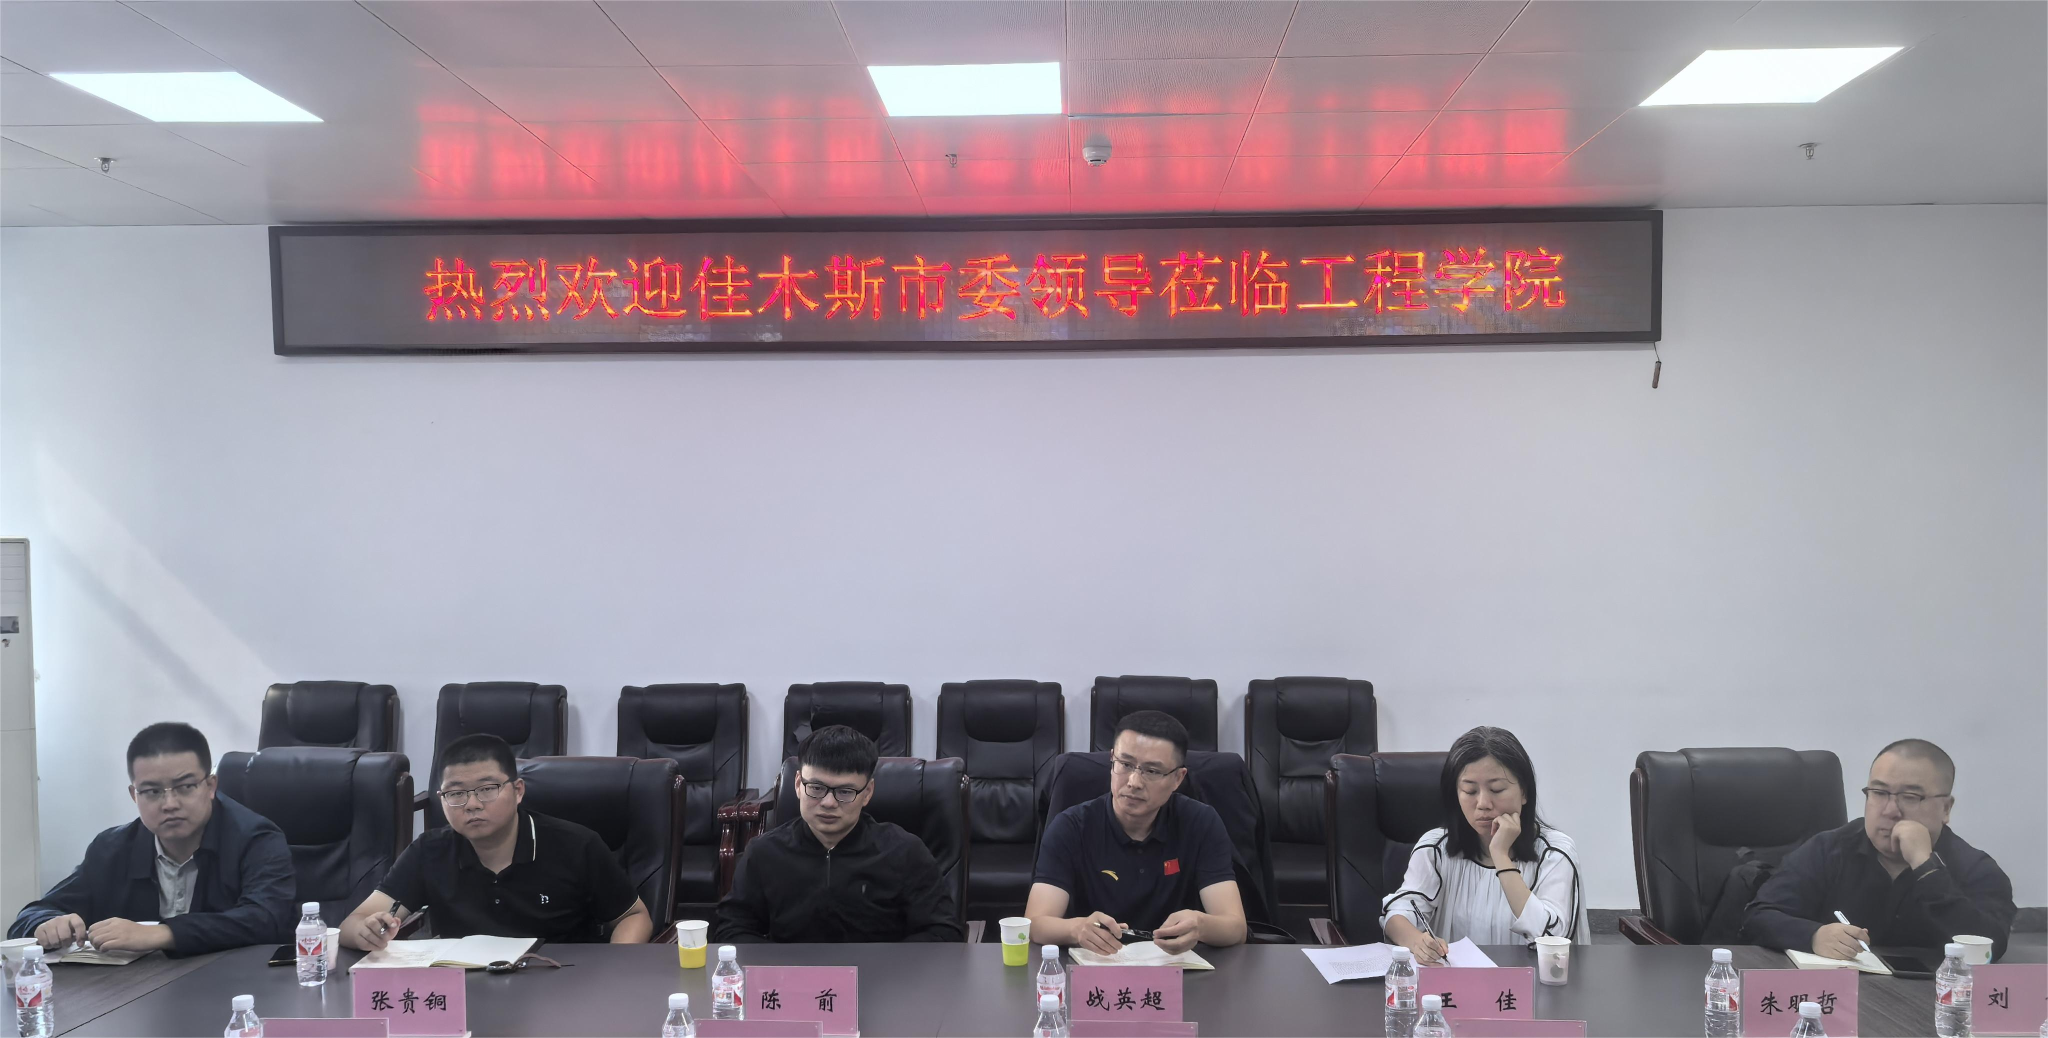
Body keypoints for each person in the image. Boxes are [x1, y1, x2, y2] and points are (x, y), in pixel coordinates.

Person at [7, 722, 297, 957]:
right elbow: (32, 915)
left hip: (233, 989)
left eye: (185, 787)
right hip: (138, 994)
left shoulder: (256, 840)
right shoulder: (111, 849)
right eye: (152, 791)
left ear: (210, 786)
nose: (169, 804)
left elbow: (268, 919)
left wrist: (161, 933)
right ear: (134, 795)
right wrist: (46, 924)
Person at [338, 733, 652, 950]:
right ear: (441, 799)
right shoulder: (429, 850)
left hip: (561, 987)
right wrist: (367, 931)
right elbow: (354, 923)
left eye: (487, 789)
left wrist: (615, 967)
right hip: (466, 993)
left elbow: (633, 916)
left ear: (518, 791)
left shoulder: (576, 845)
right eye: (456, 793)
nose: (472, 804)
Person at [1742, 739, 2015, 960]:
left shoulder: (1975, 869)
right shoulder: (1828, 849)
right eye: (1879, 793)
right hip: (1836, 998)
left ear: (1945, 808)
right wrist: (1813, 936)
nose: (1890, 810)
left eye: (1910, 797)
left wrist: (1926, 867)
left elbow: (1990, 948)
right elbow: (1758, 918)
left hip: (1932, 1001)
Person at [1026, 711, 1247, 955]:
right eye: (1125, 764)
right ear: (1112, 760)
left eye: (1151, 771)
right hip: (1096, 966)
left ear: (1177, 778)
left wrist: (1201, 926)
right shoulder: (1070, 827)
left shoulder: (1201, 823)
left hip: (1176, 967)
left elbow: (1236, 928)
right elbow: (1035, 924)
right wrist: (1076, 929)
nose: (1133, 782)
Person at [715, 725, 964, 942]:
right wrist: (783, 968)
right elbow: (731, 929)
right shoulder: (764, 853)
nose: (828, 803)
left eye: (845, 792)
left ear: (867, 793)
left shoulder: (905, 852)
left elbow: (943, 932)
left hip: (882, 977)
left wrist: (887, 965)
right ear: (798, 784)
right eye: (816, 788)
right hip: (793, 978)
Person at [1381, 726, 1587, 962]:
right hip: (1455, 983)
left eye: (1497, 789)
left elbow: (1552, 939)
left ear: (1524, 792)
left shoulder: (1555, 853)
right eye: (1470, 791)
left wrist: (1500, 855)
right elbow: (1397, 914)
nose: (1483, 803)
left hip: (1533, 982)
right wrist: (1418, 942)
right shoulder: (1435, 848)